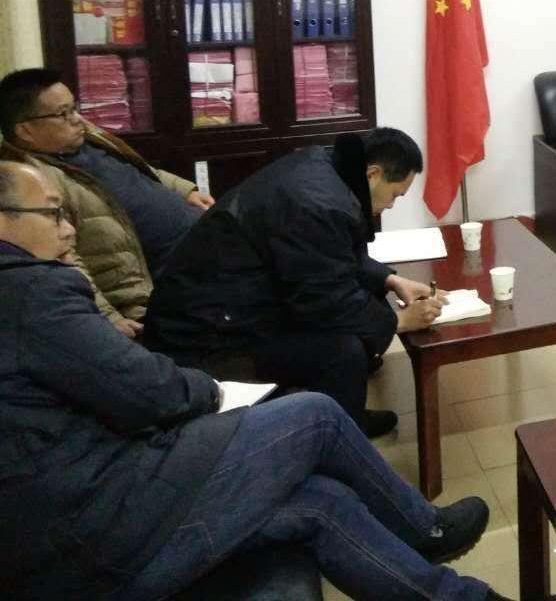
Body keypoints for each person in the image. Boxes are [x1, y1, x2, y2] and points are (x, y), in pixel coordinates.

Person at [0, 160, 518, 601]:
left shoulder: (26, 291)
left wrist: (381, 280)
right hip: (97, 524)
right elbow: (148, 393)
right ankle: (426, 529)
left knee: (319, 501)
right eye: (53, 213)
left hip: (83, 513)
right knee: (315, 416)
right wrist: (211, 392)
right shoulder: (31, 295)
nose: (69, 230)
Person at [145, 128, 444, 438]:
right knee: (344, 348)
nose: (392, 205)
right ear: (373, 174)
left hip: (231, 304)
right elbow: (325, 300)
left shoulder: (325, 167)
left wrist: (390, 279)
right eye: (395, 194)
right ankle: (342, 433)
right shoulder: (318, 202)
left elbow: (334, 255)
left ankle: (345, 405)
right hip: (207, 338)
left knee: (368, 299)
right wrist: (399, 321)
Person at [0, 67, 213, 335]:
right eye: (63, 114)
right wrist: (107, 316)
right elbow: (65, 256)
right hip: (166, 284)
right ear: (25, 130)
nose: (78, 119)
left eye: (75, 108)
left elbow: (143, 170)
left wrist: (184, 190)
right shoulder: (31, 180)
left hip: (201, 243)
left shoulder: (88, 137)